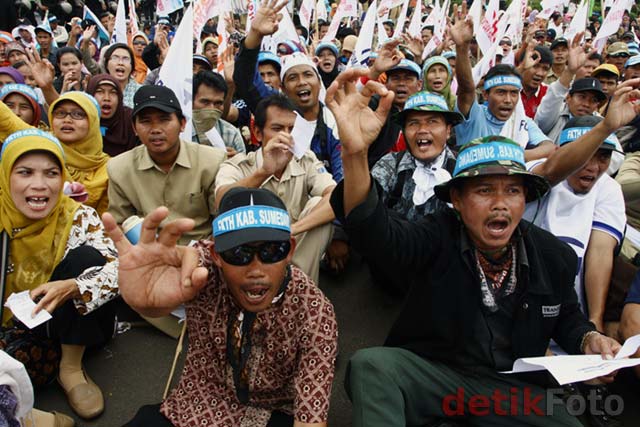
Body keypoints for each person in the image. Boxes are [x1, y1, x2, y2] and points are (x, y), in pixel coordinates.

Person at [324, 66, 625, 427]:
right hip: (439, 375)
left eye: (512, 191)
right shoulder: (436, 235)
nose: (501, 203)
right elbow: (376, 232)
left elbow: (568, 321)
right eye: (484, 190)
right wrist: (354, 153)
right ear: (457, 200)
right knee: (371, 367)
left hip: (510, 388)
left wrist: (590, 339)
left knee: (570, 420)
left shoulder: (553, 256)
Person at [105, 187, 337, 427]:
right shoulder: (200, 271)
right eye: (239, 253)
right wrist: (145, 302)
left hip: (271, 414)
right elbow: (181, 266)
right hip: (196, 404)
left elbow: (311, 418)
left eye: (271, 251)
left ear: (289, 250)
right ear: (217, 255)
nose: (256, 270)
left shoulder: (315, 312)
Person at [0, 129, 119, 420]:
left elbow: (118, 270)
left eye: (52, 173)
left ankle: (70, 368)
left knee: (87, 259)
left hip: (68, 322)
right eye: (25, 172)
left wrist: (74, 286)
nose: (39, 185)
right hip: (10, 327)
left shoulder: (78, 215)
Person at [215, 94, 336, 284]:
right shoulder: (238, 164)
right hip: (250, 256)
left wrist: (291, 230)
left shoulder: (306, 159)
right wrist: (263, 172)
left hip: (295, 247)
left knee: (318, 204)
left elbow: (336, 198)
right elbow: (222, 202)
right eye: (277, 128)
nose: (286, 136)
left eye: (292, 129)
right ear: (257, 132)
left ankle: (295, 286)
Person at [234, 0, 343, 182]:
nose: (301, 82)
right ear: (282, 88)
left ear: (318, 82)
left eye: (308, 75)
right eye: (292, 78)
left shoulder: (334, 124)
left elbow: (342, 184)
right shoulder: (274, 110)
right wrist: (255, 34)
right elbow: (245, 80)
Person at [107, 84, 225, 245]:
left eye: (164, 120)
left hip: (202, 252)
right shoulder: (119, 169)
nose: (155, 129)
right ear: (134, 127)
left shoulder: (212, 161)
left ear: (182, 124)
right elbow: (120, 224)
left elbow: (222, 221)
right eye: (146, 121)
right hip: (147, 256)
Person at [452, 18, 554, 160]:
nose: (508, 100)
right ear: (485, 95)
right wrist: (462, 49)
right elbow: (466, 88)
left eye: (513, 93)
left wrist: (511, 154)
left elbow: (549, 148)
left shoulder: (521, 121)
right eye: (501, 93)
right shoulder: (475, 116)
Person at [0, 91, 111, 214]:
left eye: (78, 114)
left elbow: (107, 222)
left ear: (93, 121)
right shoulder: (38, 143)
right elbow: (7, 121)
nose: (67, 120)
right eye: (60, 113)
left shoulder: (110, 169)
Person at [192, 70, 245, 157]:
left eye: (218, 103)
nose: (211, 108)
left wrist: (235, 163)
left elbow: (244, 169)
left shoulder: (231, 134)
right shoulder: (180, 132)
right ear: (192, 101)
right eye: (205, 102)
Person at [86, 74, 137, 157]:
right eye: (100, 92)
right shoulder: (81, 120)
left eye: (113, 92)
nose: (106, 98)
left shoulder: (130, 119)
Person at [517, 44, 553, 118]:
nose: (540, 73)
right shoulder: (509, 87)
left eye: (545, 69)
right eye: (535, 66)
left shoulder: (549, 94)